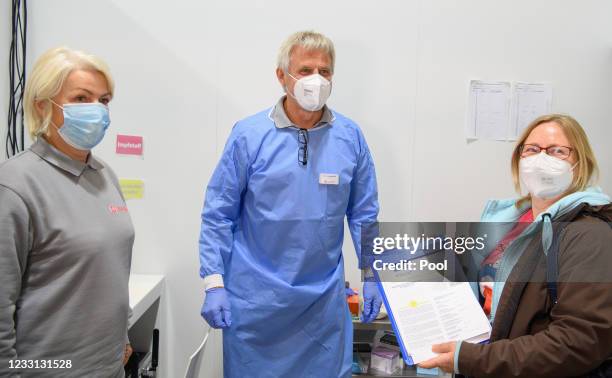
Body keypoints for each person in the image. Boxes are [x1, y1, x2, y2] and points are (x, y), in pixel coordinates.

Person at [198, 31, 382, 377]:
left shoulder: (350, 136)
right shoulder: (249, 135)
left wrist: (373, 273)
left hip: (321, 306)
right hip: (256, 305)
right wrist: (214, 283)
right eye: (306, 69)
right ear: (282, 76)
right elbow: (218, 214)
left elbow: (364, 214)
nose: (317, 79)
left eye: (324, 71)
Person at [419, 114, 612, 377]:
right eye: (532, 150)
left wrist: (472, 359)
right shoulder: (505, 222)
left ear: (580, 163)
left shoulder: (589, 234)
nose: (541, 159)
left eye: (557, 151)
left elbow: (578, 341)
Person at [0, 47, 134, 377]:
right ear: (42, 105)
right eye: (81, 98)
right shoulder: (15, 185)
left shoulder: (103, 174)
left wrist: (123, 337)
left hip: (108, 365)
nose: (97, 110)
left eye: (103, 100)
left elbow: (108, 271)